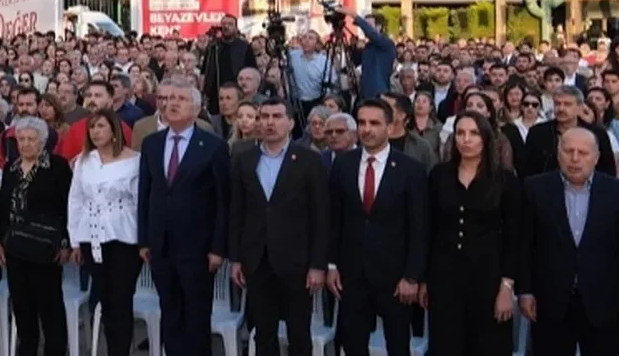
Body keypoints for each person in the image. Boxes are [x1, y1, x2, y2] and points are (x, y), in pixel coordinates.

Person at [518, 128, 619, 356]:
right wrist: (525, 291)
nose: (575, 158)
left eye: (582, 152)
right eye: (568, 151)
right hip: (550, 302)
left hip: (604, 304)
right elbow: (525, 244)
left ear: (597, 157)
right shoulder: (535, 188)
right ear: (558, 153)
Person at [327, 99, 428, 356]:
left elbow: (420, 227)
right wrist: (331, 265)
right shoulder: (343, 164)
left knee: (397, 346)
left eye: (374, 123)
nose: (366, 129)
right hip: (352, 275)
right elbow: (334, 220)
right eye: (361, 122)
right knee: (353, 346)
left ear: (390, 127)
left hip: (395, 278)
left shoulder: (411, 170)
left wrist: (412, 276)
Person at [229, 98, 328, 356]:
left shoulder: (309, 161)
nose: (269, 122)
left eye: (276, 116)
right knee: (263, 331)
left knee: (298, 333)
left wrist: (318, 264)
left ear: (291, 123)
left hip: (296, 261)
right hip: (257, 259)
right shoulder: (244, 159)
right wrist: (237, 259)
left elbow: (320, 215)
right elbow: (237, 212)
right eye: (264, 116)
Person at [138, 79, 230, 356]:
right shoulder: (152, 143)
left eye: (181, 99)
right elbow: (146, 193)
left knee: (196, 317)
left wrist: (217, 248)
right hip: (161, 246)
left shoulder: (213, 146)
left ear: (197, 107)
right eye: (169, 99)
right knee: (171, 313)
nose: (172, 103)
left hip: (198, 249)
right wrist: (144, 239)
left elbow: (223, 201)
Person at [422, 112, 521, 355]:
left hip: (488, 279)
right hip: (444, 278)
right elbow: (429, 228)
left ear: (486, 138)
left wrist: (507, 287)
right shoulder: (439, 176)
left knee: (488, 345)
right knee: (446, 344)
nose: (466, 139)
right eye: (460, 133)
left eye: (474, 133)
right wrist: (424, 279)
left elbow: (515, 236)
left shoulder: (504, 180)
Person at [67, 109, 142, 356]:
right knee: (104, 300)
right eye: (92, 127)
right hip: (92, 237)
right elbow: (76, 200)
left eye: (101, 126)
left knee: (121, 300)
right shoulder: (84, 161)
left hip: (123, 238)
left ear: (114, 130)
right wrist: (75, 241)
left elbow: (140, 201)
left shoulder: (134, 161)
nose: (96, 131)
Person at [0, 117, 72, 356]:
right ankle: (26, 350)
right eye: (21, 139)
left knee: (50, 307)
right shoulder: (12, 167)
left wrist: (66, 243)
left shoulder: (57, 166)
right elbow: (3, 207)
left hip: (46, 247)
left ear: (43, 142)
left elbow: (68, 206)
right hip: (16, 246)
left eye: (31, 139)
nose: (26, 144)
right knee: (21, 305)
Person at [519, 86, 617, 180]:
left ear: (580, 107)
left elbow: (608, 171)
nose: (561, 109)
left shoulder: (597, 134)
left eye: (567, 104)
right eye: (557, 104)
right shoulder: (537, 133)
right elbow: (527, 171)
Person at [201, 15, 257, 116]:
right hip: (215, 96)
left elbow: (252, 71)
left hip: (238, 93)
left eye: (230, 24)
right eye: (224, 24)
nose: (226, 26)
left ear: (236, 28)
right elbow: (204, 71)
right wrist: (204, 92)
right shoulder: (213, 46)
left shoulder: (244, 47)